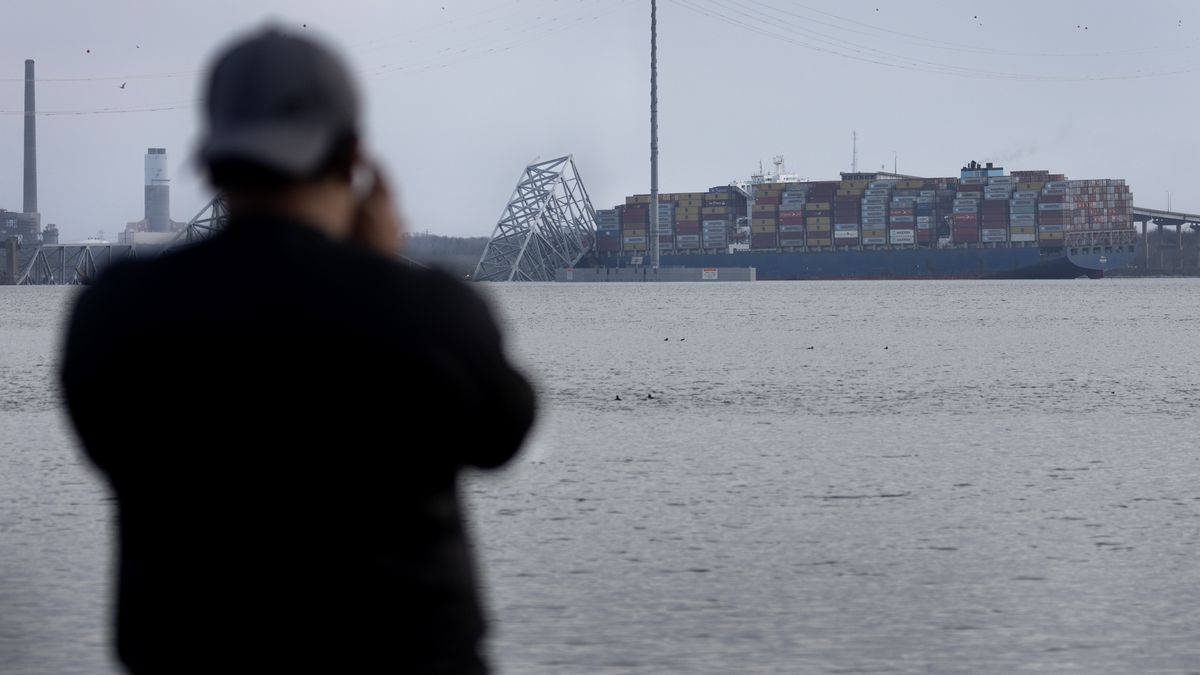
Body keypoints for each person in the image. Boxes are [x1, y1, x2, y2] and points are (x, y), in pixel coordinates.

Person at [60, 27, 535, 674]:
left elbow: (102, 442)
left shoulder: (115, 310)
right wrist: (385, 271)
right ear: (353, 160)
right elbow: (502, 434)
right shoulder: (429, 310)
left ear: (213, 157)